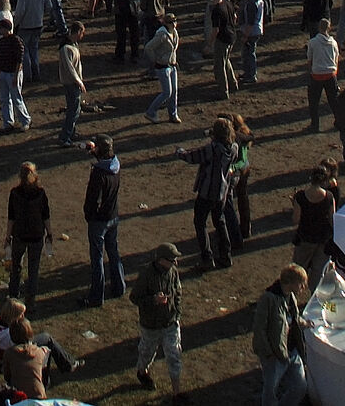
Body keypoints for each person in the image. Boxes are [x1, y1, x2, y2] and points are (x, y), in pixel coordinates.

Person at [174, 117, 239, 270]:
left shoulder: (213, 149)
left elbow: (193, 156)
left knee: (200, 223)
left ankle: (207, 258)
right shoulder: (234, 148)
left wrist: (179, 152)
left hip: (206, 192)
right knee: (220, 222)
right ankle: (225, 256)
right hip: (222, 193)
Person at [130, 242, 184, 395]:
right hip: (151, 325)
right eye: (172, 259)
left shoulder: (173, 271)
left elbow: (177, 292)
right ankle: (142, 372)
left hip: (170, 322)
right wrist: (154, 300)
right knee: (147, 353)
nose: (175, 262)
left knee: (174, 356)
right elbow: (134, 298)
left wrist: (177, 313)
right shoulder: (146, 275)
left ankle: (177, 393)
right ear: (161, 260)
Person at [252, 264, 310, 406]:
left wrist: (305, 323)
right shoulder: (268, 299)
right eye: (301, 284)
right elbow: (260, 329)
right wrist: (268, 353)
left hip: (291, 350)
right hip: (275, 354)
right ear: (290, 282)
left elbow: (293, 319)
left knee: (300, 386)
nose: (303, 288)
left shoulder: (290, 297)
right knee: (270, 392)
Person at [83, 136, 126, 307]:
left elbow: (94, 200)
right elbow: (104, 161)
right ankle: (119, 286)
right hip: (113, 216)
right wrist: (93, 152)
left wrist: (89, 215)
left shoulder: (98, 175)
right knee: (114, 253)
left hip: (99, 221)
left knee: (97, 258)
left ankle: (96, 296)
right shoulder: (116, 165)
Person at [6, 161, 52, 304]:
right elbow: (46, 216)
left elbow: (11, 217)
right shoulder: (40, 193)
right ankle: (30, 299)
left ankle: (13, 295)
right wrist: (50, 233)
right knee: (33, 268)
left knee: (16, 266)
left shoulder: (14, 193)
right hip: (36, 235)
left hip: (19, 234)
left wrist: (8, 236)